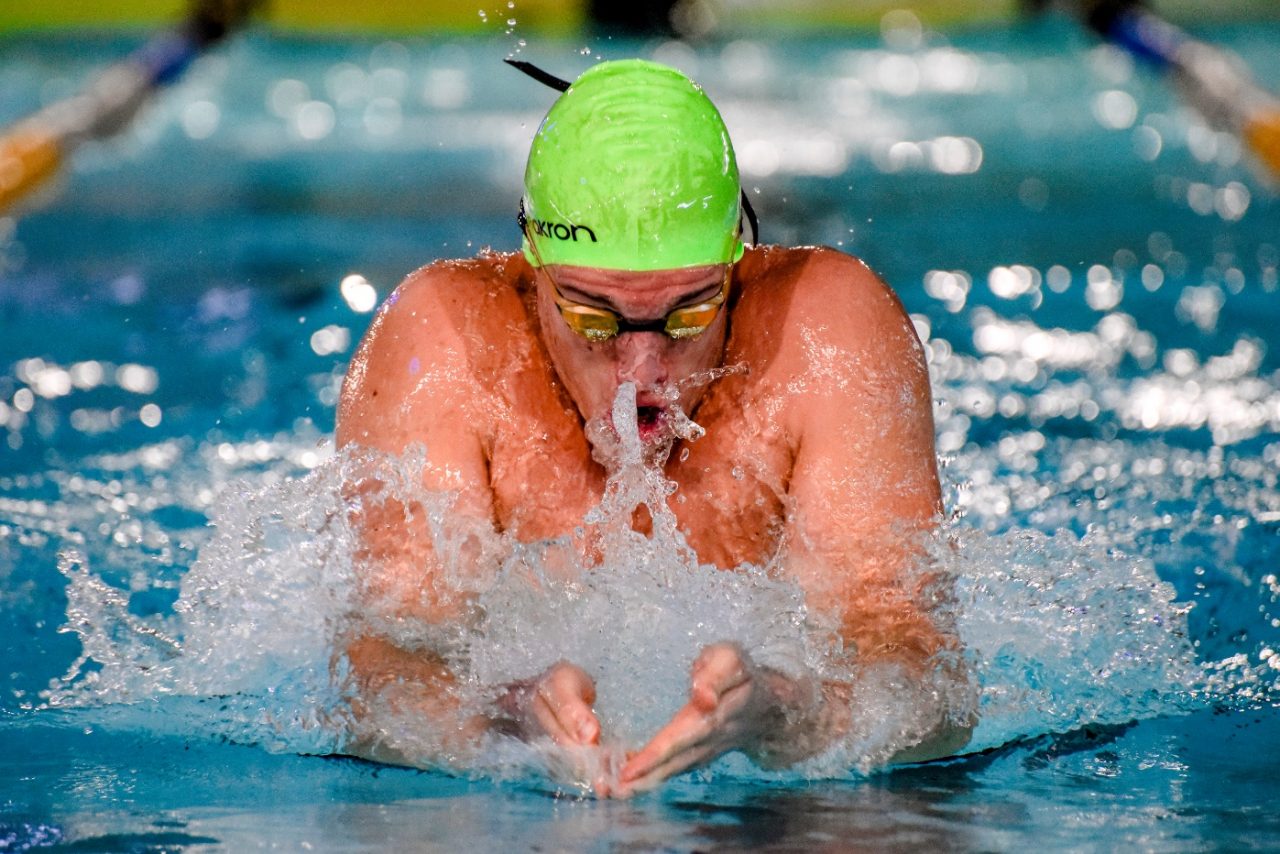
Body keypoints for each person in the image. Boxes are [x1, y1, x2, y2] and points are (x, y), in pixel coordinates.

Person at [335, 59, 972, 796]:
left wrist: (783, 712)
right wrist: (507, 719)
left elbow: (923, 688)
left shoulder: (826, 335)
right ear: (532, 264)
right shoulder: (446, 348)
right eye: (592, 318)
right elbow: (380, 680)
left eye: (690, 314)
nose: (640, 373)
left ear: (739, 261)